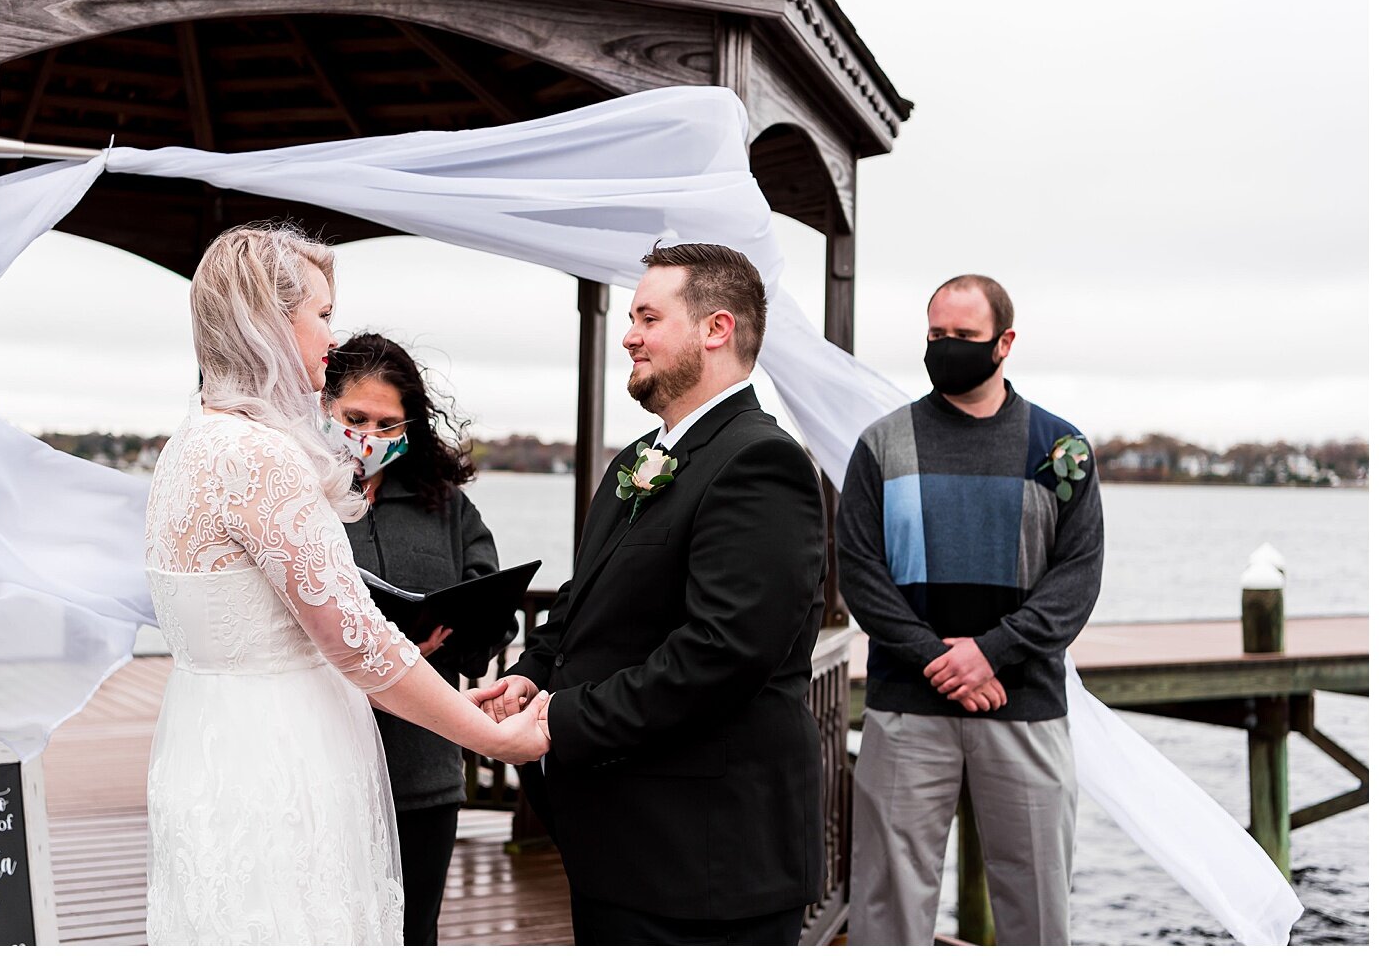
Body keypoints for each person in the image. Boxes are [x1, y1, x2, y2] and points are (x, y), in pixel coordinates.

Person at [142, 224, 549, 945]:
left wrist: (453, 695)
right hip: (283, 765)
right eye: (323, 315)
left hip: (210, 749)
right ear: (269, 317)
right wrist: (492, 737)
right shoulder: (261, 460)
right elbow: (362, 650)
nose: (333, 337)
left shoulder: (191, 441)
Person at [469, 242, 827, 944]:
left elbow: (722, 653)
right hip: (620, 847)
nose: (629, 334)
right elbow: (586, 596)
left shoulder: (762, 462)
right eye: (631, 317)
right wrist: (529, 676)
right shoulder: (639, 459)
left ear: (715, 329)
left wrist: (556, 722)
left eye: (647, 317)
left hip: (707, 862)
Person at [835, 274, 1104, 945]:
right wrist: (939, 658)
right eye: (936, 336)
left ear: (1005, 342)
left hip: (1025, 706)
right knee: (887, 906)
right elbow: (860, 573)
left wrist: (991, 652)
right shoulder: (881, 445)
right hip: (906, 707)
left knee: (1037, 910)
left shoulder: (1060, 450)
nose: (946, 348)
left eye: (965, 337)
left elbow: (1076, 577)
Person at [322, 332, 503, 946]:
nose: (370, 435)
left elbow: (488, 613)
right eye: (354, 418)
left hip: (424, 773)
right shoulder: (296, 499)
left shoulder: (445, 506)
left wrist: (443, 642)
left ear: (411, 427)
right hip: (324, 771)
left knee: (414, 933)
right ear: (323, 407)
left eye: (387, 423)